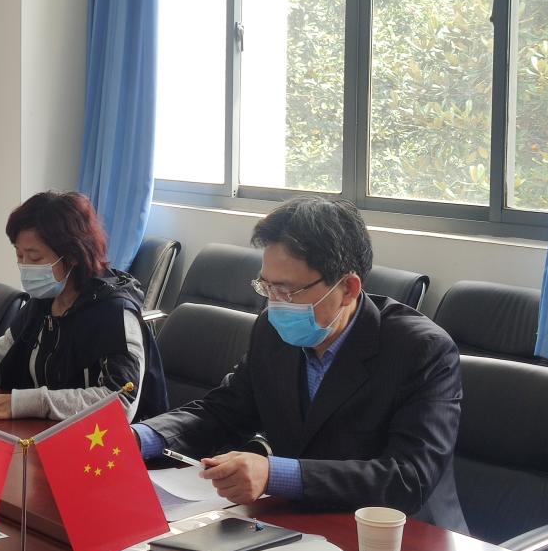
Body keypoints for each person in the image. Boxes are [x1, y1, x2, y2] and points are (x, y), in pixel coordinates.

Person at [134, 195, 467, 532]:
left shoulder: (421, 351)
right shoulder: (272, 331)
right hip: (303, 524)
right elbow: (222, 411)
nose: (274, 304)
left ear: (348, 288)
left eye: (287, 291)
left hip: (404, 536)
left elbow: (408, 478)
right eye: (266, 287)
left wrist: (274, 473)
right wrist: (139, 438)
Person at [0, 190, 168, 423]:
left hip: (105, 447)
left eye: (35, 257)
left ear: (72, 255)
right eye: (19, 255)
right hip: (44, 433)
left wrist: (26, 403)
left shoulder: (115, 313)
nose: (25, 266)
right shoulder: (45, 301)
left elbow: (121, 402)